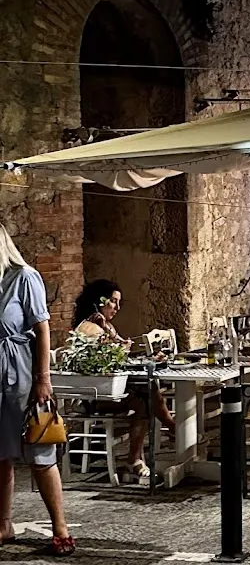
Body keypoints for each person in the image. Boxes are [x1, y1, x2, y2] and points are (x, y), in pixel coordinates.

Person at [0, 224, 75, 556]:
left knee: (40, 451)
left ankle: (60, 527)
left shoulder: (24, 277)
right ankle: (4, 523)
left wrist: (43, 379)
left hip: (21, 372)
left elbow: (42, 328)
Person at [72, 280, 176, 484]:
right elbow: (109, 361)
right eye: (113, 301)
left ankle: (135, 458)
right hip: (94, 395)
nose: (117, 308)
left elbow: (121, 355)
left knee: (146, 396)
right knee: (148, 394)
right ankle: (176, 431)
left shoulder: (103, 326)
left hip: (113, 389)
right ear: (98, 302)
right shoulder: (88, 328)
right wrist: (118, 344)